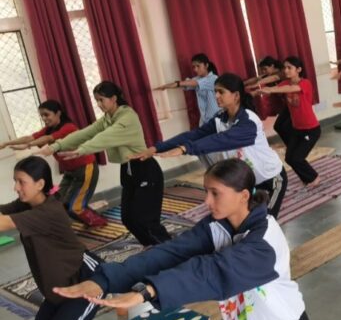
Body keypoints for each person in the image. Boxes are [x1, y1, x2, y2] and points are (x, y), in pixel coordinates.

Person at [55, 159, 312, 320]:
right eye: (206, 192)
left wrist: (148, 291)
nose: (207, 202)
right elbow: (169, 253)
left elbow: (212, 270)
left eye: (215, 193)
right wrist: (103, 280)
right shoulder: (217, 226)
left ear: (243, 196)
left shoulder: (264, 242)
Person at [0, 156, 121, 320]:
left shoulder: (48, 212)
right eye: (15, 181)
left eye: (21, 182)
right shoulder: (25, 204)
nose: (16, 187)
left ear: (40, 184)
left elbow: (3, 223)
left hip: (87, 278)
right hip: (64, 281)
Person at [132, 73, 288, 219]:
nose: (216, 96)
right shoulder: (220, 119)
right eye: (215, 92)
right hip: (247, 183)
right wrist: (157, 148)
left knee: (265, 221)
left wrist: (185, 149)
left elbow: (222, 140)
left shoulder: (249, 122)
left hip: (271, 178)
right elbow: (194, 135)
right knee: (244, 221)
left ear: (236, 96)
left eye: (221, 92)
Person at [40, 82, 171, 247]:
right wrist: (55, 146)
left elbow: (106, 137)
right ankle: (152, 247)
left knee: (145, 219)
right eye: (97, 101)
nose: (99, 105)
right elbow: (85, 133)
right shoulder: (108, 118)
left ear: (114, 98)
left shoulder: (127, 117)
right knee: (128, 218)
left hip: (145, 169)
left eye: (101, 100)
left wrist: (82, 150)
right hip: (128, 169)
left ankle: (169, 249)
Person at [0, 100, 106, 227]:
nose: (44, 118)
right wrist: (7, 143)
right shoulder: (48, 129)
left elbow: (49, 139)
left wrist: (28, 146)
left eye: (47, 115)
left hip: (86, 168)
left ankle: (100, 224)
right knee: (57, 201)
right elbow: (30, 137)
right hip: (70, 172)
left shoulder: (69, 127)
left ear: (58, 113)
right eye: (42, 116)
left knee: (74, 207)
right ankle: (89, 221)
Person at [259, 57, 321, 187]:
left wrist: (271, 90)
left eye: (289, 68)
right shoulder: (285, 83)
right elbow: (279, 86)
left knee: (296, 158)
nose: (286, 70)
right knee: (289, 158)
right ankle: (308, 177)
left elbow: (291, 89)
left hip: (311, 129)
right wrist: (256, 90)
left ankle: (314, 178)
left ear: (298, 70)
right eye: (285, 68)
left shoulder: (305, 83)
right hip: (297, 129)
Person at [154, 53, 219, 128]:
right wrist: (166, 86)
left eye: (198, 66)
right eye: (194, 67)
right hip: (205, 120)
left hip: (215, 119)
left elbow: (191, 83)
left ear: (206, 65)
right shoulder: (198, 79)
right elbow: (184, 84)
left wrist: (170, 85)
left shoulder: (213, 78)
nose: (195, 69)